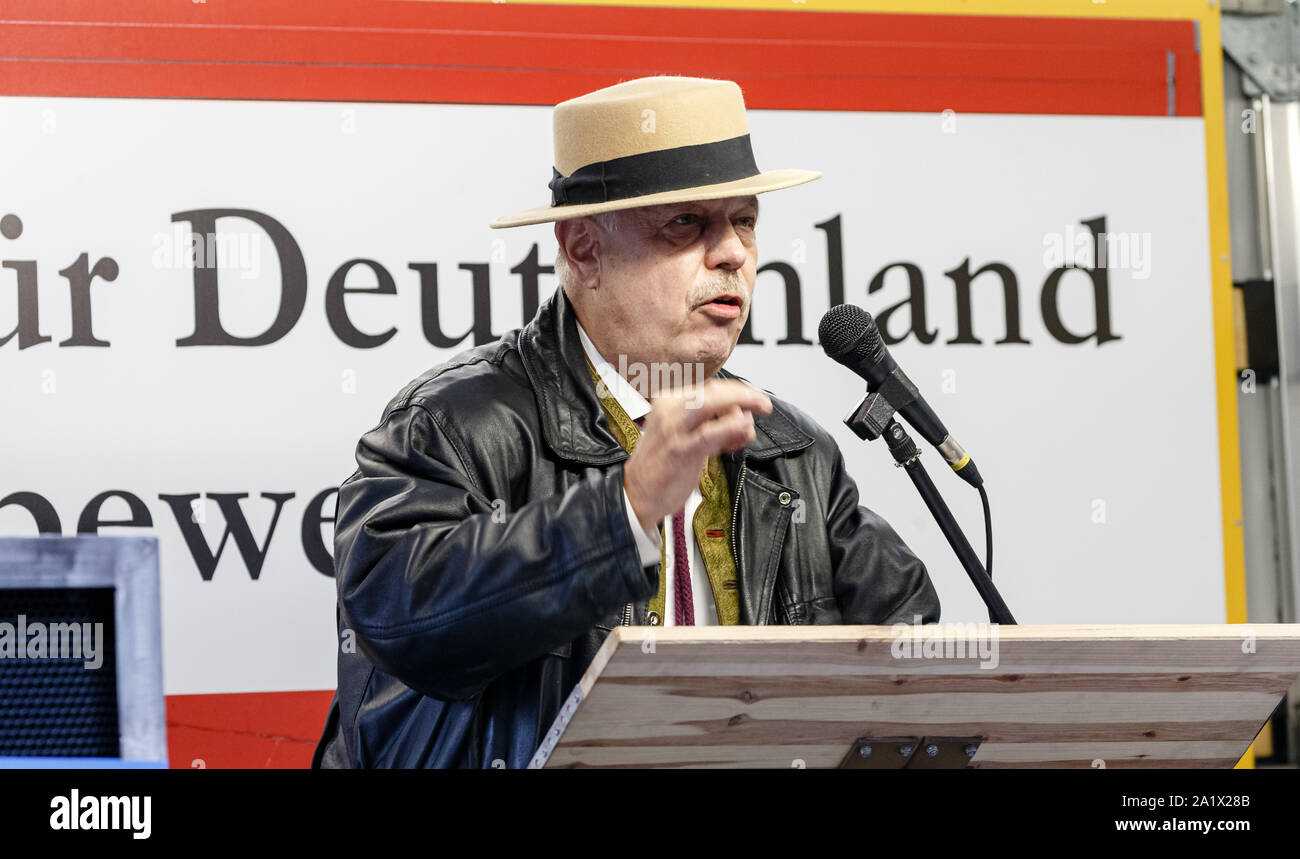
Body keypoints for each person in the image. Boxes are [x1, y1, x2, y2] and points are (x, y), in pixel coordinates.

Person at [312, 75, 939, 769]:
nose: (733, 252)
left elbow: (911, 650)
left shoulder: (791, 449)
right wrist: (625, 512)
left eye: (744, 221)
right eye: (687, 223)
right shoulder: (451, 424)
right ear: (584, 250)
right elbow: (403, 619)